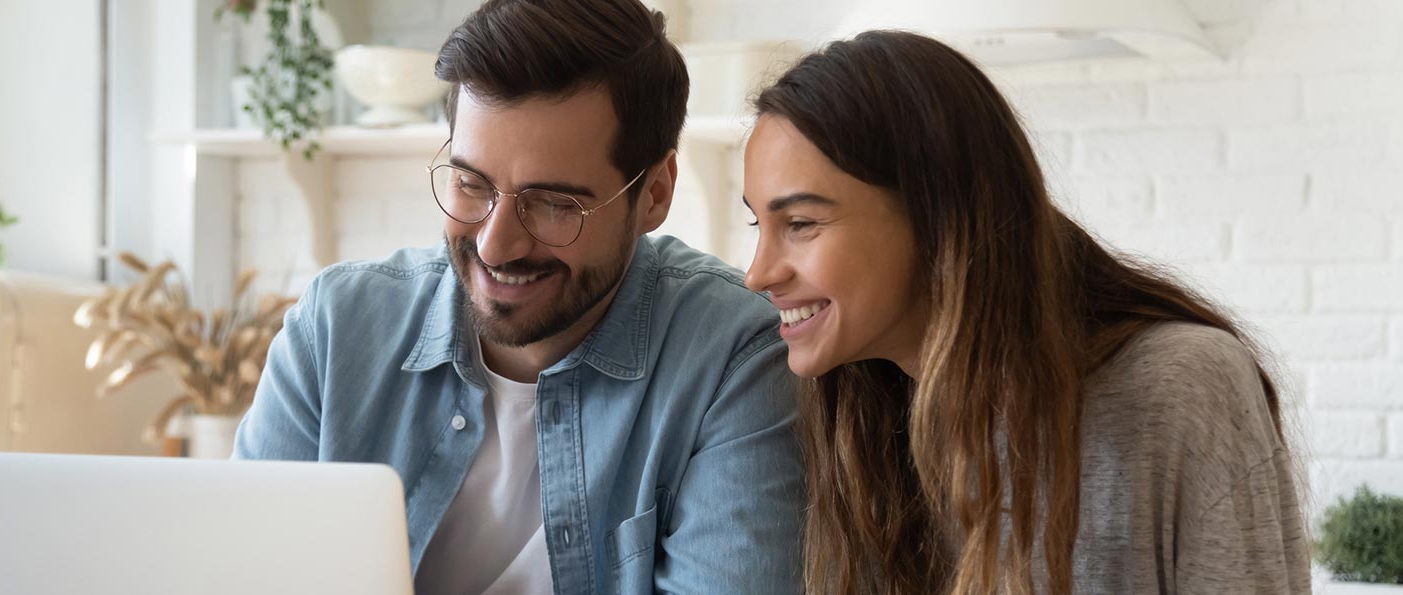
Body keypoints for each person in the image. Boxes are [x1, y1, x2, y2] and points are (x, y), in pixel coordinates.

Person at [235, 1, 804, 593]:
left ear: (655, 194)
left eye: (556, 204)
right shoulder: (334, 331)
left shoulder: (735, 359)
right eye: (470, 184)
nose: (495, 244)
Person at [740, 30, 1309, 595]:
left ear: (938, 214)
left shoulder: (1181, 386)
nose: (758, 273)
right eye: (757, 225)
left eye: (801, 224)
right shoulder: (857, 416)